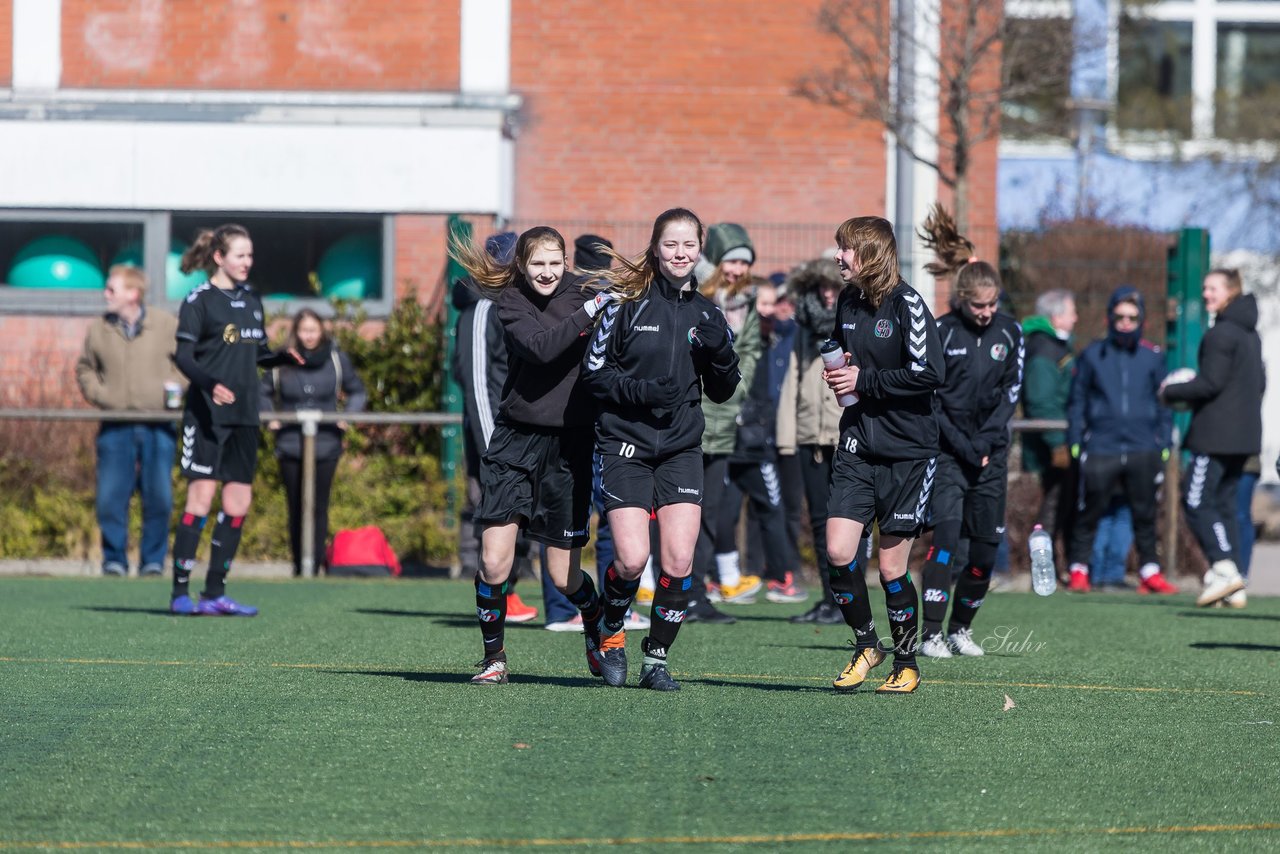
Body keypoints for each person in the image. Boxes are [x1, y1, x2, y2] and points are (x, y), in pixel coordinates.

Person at [581, 208, 741, 691]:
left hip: (681, 449)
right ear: (655, 247)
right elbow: (594, 375)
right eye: (671, 244)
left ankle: (656, 659)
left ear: (700, 250)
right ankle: (608, 631)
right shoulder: (625, 304)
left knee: (677, 562)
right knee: (631, 560)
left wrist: (719, 352)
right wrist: (641, 392)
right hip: (624, 443)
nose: (680, 253)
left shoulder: (708, 313)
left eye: (689, 245)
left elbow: (724, 389)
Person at [450, 226, 615, 685]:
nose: (546, 272)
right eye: (537, 263)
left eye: (554, 262)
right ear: (522, 265)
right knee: (494, 561)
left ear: (566, 262)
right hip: (515, 441)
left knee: (565, 578)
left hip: (570, 446)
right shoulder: (511, 302)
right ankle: (494, 658)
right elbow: (542, 349)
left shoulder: (587, 292)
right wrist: (591, 310)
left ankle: (594, 625)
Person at [823, 215, 944, 694]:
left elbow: (929, 372)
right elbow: (847, 353)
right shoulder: (847, 300)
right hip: (857, 443)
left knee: (892, 569)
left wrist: (865, 381)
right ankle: (867, 644)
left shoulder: (909, 304)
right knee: (837, 550)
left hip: (907, 452)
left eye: (845, 249)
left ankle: (907, 662)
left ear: (870, 253)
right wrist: (838, 370)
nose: (837, 256)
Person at [169, 224, 303, 615]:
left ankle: (214, 593)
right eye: (240, 255)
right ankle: (180, 594)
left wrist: (280, 357)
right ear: (219, 257)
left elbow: (257, 352)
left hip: (245, 415)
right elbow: (183, 357)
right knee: (201, 498)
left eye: (250, 255)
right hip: (208, 415)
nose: (248, 262)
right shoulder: (198, 301)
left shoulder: (251, 299)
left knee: (238, 501)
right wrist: (210, 385)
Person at [915, 206, 1023, 659]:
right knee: (945, 542)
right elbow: (931, 400)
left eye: (992, 304)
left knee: (984, 550)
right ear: (961, 299)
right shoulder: (941, 331)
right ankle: (932, 633)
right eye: (978, 305)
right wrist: (963, 446)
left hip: (990, 454)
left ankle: (962, 629)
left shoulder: (1011, 332)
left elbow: (1011, 390)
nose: (986, 312)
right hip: (948, 455)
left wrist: (986, 443)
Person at [1161, 268, 1265, 607]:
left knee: (1195, 500)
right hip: (1246, 437)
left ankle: (1224, 568)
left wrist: (1169, 390)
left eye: (1213, 289)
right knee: (1225, 506)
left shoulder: (1220, 334)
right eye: (1204, 288)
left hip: (1215, 436)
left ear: (1231, 291)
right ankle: (1234, 586)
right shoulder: (1251, 334)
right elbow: (1258, 385)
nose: (1206, 294)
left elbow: (1209, 383)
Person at [75, 265, 186, 578]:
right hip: (115, 425)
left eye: (112, 289)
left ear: (133, 294)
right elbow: (84, 369)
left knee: (159, 496)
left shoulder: (166, 325)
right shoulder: (98, 329)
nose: (105, 295)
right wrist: (102, 394)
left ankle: (152, 560)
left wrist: (172, 391)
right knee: (110, 496)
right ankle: (114, 560)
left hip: (158, 425)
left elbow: (188, 363)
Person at [450, 232, 538, 624]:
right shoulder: (483, 309)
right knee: (493, 514)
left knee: (521, 512)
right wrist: (492, 447)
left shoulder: (517, 305)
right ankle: (498, 594)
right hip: (494, 437)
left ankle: (510, 591)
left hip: (521, 433)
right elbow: (476, 381)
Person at [1065, 286, 1177, 595]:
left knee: (1144, 513)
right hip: (1102, 445)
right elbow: (1077, 401)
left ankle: (1149, 572)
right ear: (1110, 317)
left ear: (1141, 320)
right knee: (1090, 510)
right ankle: (1079, 570)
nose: (1125, 322)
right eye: (1120, 317)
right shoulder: (1091, 355)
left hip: (1144, 447)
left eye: (1132, 317)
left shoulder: (1153, 357)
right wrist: (1076, 438)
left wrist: (1164, 442)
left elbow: (1164, 403)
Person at [261, 308, 367, 577]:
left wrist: (347, 417)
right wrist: (270, 418)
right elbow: (262, 392)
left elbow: (357, 391)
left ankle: (316, 563)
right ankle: (299, 564)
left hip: (326, 442)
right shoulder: (282, 361)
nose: (308, 336)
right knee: (295, 505)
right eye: (303, 330)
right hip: (290, 442)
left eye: (313, 330)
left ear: (321, 331)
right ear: (296, 332)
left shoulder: (335, 359)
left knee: (319, 505)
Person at [777, 257, 846, 623]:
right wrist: (787, 439)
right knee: (819, 522)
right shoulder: (803, 331)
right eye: (822, 287)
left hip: (845, 436)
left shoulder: (853, 324)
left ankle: (848, 601)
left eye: (834, 286)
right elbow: (791, 382)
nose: (828, 294)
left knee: (849, 524)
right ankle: (828, 599)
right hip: (809, 438)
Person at [1020, 289, 1077, 562]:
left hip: (1056, 440)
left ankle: (1052, 562)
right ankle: (1041, 565)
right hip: (1048, 445)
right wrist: (1058, 444)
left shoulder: (1053, 346)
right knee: (1050, 506)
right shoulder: (1044, 350)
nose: (1076, 318)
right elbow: (1041, 402)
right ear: (1056, 317)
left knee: (1059, 503)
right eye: (1071, 312)